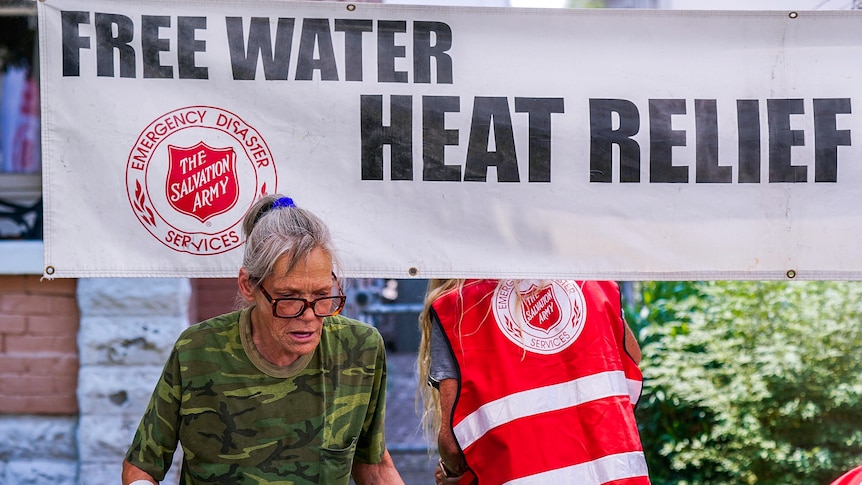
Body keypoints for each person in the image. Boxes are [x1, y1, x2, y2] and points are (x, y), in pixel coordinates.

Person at [122, 194, 405, 485]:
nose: (308, 316)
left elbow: (373, 465)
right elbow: (142, 466)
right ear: (248, 285)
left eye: (322, 296)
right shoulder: (197, 351)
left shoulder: (360, 349)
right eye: (288, 298)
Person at [418, 279, 650, 485]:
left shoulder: (456, 307)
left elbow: (452, 445)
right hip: (616, 473)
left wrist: (449, 474)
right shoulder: (591, 281)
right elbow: (629, 363)